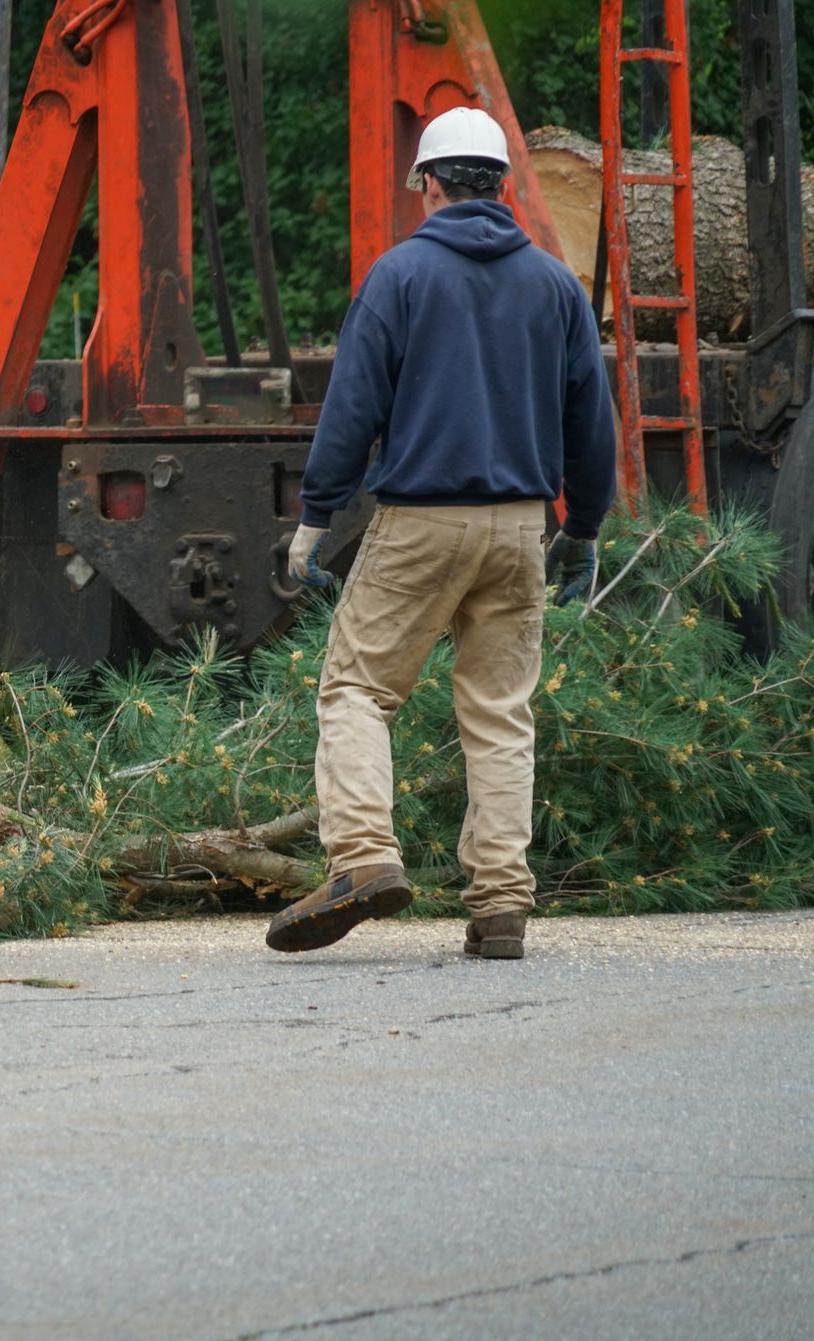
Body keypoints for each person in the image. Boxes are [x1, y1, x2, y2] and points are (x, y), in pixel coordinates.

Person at [265, 106, 614, 961]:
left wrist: (316, 514)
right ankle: (500, 906)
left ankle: (363, 858)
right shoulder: (554, 286)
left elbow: (352, 407)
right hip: (519, 529)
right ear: (500, 186)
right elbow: (591, 420)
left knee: (356, 690)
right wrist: (585, 528)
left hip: (421, 521)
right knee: (500, 713)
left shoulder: (400, 276)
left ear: (429, 185)